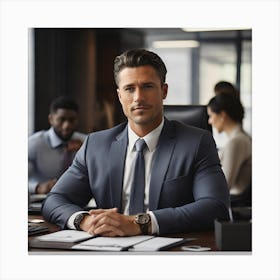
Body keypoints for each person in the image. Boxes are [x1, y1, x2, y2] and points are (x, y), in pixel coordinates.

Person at [42, 49, 229, 237]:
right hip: (107, 248)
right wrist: (85, 221)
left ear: (163, 91)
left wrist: (140, 223)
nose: (138, 97)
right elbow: (55, 200)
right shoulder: (96, 145)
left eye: (147, 86)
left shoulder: (197, 143)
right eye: (129, 89)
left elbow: (215, 206)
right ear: (119, 96)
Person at [28, 96, 87, 195]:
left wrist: (85, 151)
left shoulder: (86, 142)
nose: (66, 125)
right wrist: (37, 187)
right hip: (41, 202)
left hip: (77, 201)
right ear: (51, 119)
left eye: (72, 120)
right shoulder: (34, 143)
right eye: (61, 119)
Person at [207, 93, 251, 196]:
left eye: (211, 116)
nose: (209, 121)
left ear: (222, 115)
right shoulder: (242, 138)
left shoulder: (236, 142)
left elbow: (224, 185)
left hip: (232, 203)